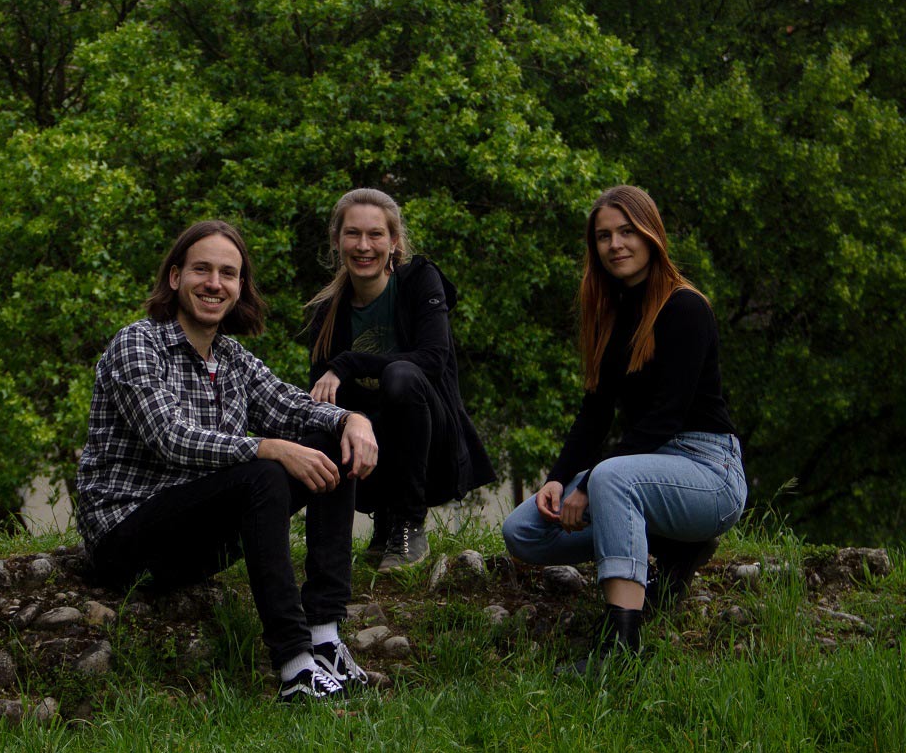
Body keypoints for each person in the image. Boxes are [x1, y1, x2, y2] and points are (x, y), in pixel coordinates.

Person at [76, 220, 380, 703]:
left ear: (240, 288)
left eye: (228, 273)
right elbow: (170, 438)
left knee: (329, 445)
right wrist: (269, 446)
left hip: (194, 536)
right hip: (126, 539)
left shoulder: (233, 358)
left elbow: (293, 406)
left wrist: (352, 419)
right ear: (175, 277)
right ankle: (294, 665)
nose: (214, 283)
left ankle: (325, 637)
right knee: (263, 471)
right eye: (202, 270)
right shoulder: (138, 343)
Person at [501, 185, 747, 670]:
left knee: (611, 477)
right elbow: (594, 414)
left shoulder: (685, 307)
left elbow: (667, 415)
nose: (615, 244)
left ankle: (620, 647)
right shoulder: (610, 316)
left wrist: (591, 482)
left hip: (709, 472)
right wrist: (558, 479)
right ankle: (676, 546)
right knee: (524, 531)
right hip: (647, 469)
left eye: (627, 231)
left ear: (651, 234)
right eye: (604, 236)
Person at [306, 189, 495, 572]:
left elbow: (433, 359)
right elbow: (321, 398)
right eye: (353, 234)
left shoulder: (420, 281)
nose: (364, 246)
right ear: (337, 241)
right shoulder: (326, 312)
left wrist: (349, 362)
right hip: (368, 455)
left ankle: (409, 523)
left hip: (434, 443)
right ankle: (366, 532)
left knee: (401, 376)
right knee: (325, 418)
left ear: (393, 241)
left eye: (375, 234)